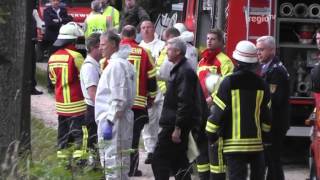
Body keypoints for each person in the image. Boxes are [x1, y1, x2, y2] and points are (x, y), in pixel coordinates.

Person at [205, 40, 272, 180]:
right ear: (254, 62)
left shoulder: (228, 82)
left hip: (233, 146)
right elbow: (266, 116)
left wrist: (211, 134)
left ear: (237, 60)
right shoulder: (262, 84)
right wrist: (265, 137)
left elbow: (217, 113)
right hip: (256, 145)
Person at [151, 37, 203, 180]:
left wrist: (178, 128)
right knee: (178, 161)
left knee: (158, 159)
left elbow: (184, 102)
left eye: (169, 49)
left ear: (178, 51)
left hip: (174, 124)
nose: (166, 51)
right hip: (174, 122)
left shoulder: (184, 72)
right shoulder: (180, 69)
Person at [95, 30, 136, 180]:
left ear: (113, 45)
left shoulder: (116, 66)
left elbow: (119, 98)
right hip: (117, 119)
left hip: (114, 122)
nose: (100, 48)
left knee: (113, 162)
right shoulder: (122, 64)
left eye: (103, 44)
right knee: (119, 161)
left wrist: (110, 121)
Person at [196, 28, 234, 180]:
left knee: (214, 147)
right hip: (201, 109)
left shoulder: (225, 61)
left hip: (214, 110)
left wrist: (212, 99)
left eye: (213, 39)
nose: (209, 41)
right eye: (207, 38)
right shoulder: (202, 60)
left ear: (220, 42)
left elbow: (227, 86)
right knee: (201, 146)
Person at [120, 25, 157, 176]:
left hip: (120, 103)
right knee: (134, 138)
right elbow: (152, 78)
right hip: (138, 104)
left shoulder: (116, 50)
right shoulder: (143, 51)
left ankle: (117, 168)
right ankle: (133, 169)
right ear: (136, 35)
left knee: (119, 136)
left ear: (122, 35)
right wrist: (151, 97)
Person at [48, 22, 87, 163]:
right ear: (73, 40)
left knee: (63, 134)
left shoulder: (52, 57)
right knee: (80, 133)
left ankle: (64, 163)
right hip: (77, 103)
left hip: (61, 104)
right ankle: (80, 161)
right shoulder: (76, 56)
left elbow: (52, 80)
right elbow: (85, 78)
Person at [256, 35, 290, 180]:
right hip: (269, 121)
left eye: (261, 50)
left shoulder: (277, 71)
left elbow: (274, 99)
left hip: (276, 123)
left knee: (272, 158)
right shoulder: (265, 67)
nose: (258, 53)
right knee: (269, 159)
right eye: (257, 50)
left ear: (272, 50)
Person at [139, 20, 166, 164]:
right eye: (143, 28)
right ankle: (150, 151)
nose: (146, 30)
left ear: (153, 28)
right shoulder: (139, 48)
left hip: (161, 91)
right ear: (140, 31)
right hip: (147, 92)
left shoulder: (162, 46)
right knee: (148, 123)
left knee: (162, 121)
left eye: (148, 27)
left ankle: (161, 150)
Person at [80, 33, 102, 165]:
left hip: (94, 109)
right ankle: (94, 168)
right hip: (93, 110)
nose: (103, 49)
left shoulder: (95, 65)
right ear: (95, 47)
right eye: (101, 46)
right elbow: (93, 93)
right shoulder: (89, 67)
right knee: (94, 142)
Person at [43, 0, 72, 92]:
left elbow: (69, 20)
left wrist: (58, 20)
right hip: (51, 39)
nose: (55, 2)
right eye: (53, 1)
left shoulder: (63, 10)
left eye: (57, 1)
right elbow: (49, 24)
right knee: (51, 61)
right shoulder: (47, 11)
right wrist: (61, 21)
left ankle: (61, 83)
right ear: (50, 2)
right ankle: (50, 85)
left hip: (62, 39)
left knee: (63, 60)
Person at [31, 7, 43, 95]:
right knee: (31, 65)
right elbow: (39, 25)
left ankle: (31, 87)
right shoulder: (33, 11)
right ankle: (31, 87)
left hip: (30, 42)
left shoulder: (32, 10)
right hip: (30, 42)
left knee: (31, 66)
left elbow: (39, 25)